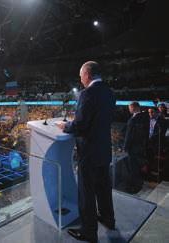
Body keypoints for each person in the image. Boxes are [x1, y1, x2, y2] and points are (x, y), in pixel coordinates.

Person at [57, 61, 115, 243]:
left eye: (81, 75)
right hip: (104, 149)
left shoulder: (87, 93)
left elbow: (80, 125)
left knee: (87, 192)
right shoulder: (109, 91)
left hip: (89, 153)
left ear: (88, 75)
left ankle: (89, 232)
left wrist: (65, 125)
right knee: (104, 188)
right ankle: (108, 219)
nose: (80, 79)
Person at [123, 102, 149, 193]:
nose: (129, 109)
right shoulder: (144, 117)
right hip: (141, 147)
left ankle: (135, 188)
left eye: (129, 108)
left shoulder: (133, 120)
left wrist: (125, 147)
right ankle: (139, 184)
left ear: (134, 108)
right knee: (138, 167)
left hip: (133, 148)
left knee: (134, 168)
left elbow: (129, 135)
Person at [147, 108, 167, 181]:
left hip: (157, 144)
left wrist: (149, 139)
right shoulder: (148, 120)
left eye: (152, 112)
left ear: (157, 112)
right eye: (149, 112)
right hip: (148, 143)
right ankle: (148, 175)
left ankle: (158, 177)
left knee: (156, 161)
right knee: (148, 159)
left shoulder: (162, 121)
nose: (150, 114)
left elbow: (160, 133)